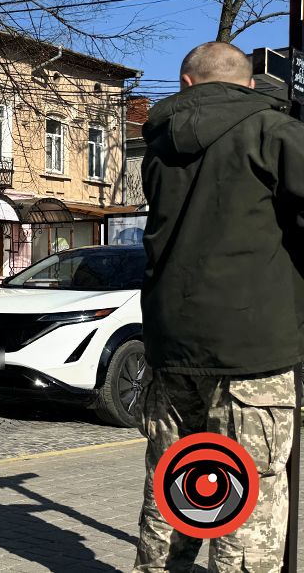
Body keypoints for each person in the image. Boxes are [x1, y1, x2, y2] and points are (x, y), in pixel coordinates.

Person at [134, 41, 304, 571]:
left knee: (177, 479)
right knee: (248, 495)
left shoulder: (159, 146)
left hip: (171, 340)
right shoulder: (274, 131)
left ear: (186, 83)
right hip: (252, 346)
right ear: (248, 84)